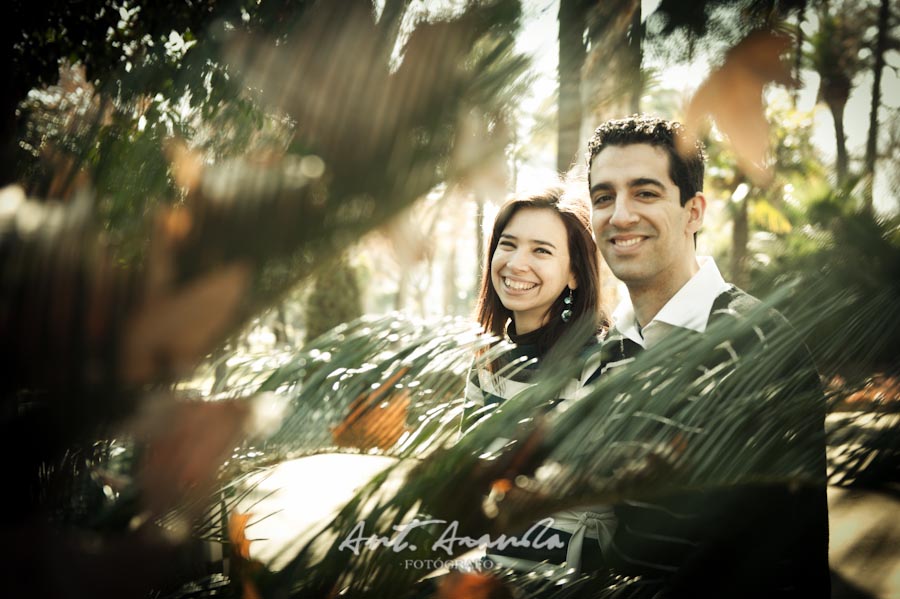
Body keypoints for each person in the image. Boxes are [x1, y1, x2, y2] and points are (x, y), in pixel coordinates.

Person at [584, 114, 830, 597]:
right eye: (604, 196)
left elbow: (790, 556)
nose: (620, 215)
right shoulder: (609, 350)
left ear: (694, 211)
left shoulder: (758, 343)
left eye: (646, 192)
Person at [464, 185, 613, 575]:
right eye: (508, 244)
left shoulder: (602, 364)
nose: (516, 263)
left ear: (575, 274)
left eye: (541, 251)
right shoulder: (486, 362)